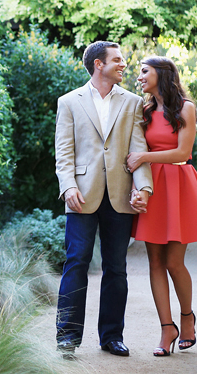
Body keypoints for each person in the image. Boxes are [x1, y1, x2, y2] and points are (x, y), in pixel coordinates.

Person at [55, 41, 154, 358]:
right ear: (99, 64)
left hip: (121, 195)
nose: (123, 64)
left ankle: (111, 336)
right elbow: (64, 152)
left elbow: (138, 153)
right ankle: (67, 337)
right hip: (80, 195)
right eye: (117, 60)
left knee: (117, 268)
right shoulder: (69, 102)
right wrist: (68, 186)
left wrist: (143, 189)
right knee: (77, 263)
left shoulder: (133, 102)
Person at [126, 56, 197, 357]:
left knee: (173, 262)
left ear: (162, 74)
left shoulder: (186, 108)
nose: (139, 76)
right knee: (154, 262)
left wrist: (144, 159)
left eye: (145, 71)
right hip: (151, 188)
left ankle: (187, 317)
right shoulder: (143, 110)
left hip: (179, 186)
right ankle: (166, 329)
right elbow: (135, 148)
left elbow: (182, 151)